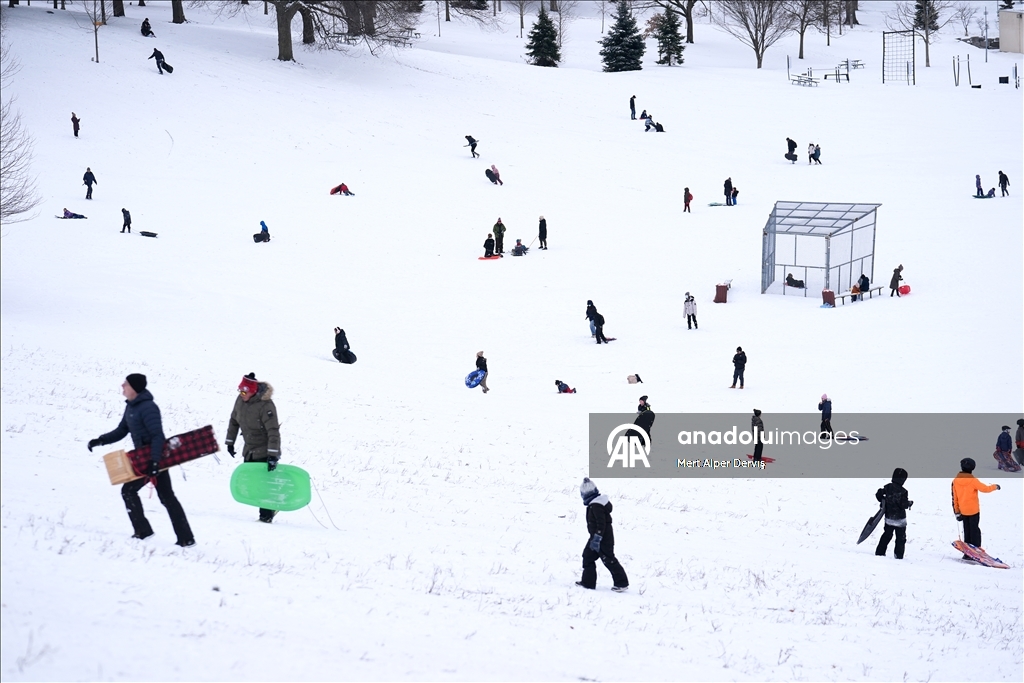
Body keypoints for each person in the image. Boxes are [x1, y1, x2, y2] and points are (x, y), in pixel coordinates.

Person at [86, 374, 195, 547]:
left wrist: (154, 462)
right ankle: (184, 538)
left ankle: (147, 531)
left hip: (153, 460)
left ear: (134, 388)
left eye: (126, 384)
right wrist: (100, 440)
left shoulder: (148, 408)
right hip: (146, 460)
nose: (122, 386)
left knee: (132, 492)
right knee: (166, 497)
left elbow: (158, 436)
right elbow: (121, 430)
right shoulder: (131, 407)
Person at [225, 373, 283, 523]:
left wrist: (272, 455)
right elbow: (234, 420)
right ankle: (270, 507)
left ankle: (266, 516)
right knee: (252, 484)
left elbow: (273, 432)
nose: (241, 394)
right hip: (250, 450)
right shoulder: (240, 401)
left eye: (244, 392)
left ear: (253, 391)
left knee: (262, 485)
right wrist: (230, 442)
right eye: (240, 391)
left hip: (265, 450)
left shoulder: (266, 405)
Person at [576, 478, 629, 592]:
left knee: (608, 559)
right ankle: (588, 582)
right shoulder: (595, 503)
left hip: (603, 539)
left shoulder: (596, 505)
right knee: (587, 556)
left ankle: (622, 583)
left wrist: (597, 538)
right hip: (595, 538)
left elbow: (601, 523)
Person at [951, 457, 1000, 557]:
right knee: (975, 530)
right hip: (973, 510)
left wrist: (957, 511)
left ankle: (967, 553)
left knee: (967, 530)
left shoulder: (955, 481)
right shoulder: (973, 480)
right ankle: (976, 550)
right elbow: (985, 489)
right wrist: (995, 486)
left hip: (963, 511)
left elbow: (954, 497)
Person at [875, 468, 913, 559]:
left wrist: (883, 499)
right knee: (900, 538)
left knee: (886, 535)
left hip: (889, 518)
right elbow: (903, 504)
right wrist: (909, 503)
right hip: (900, 520)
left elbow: (878, 494)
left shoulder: (887, 487)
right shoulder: (904, 491)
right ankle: (898, 555)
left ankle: (880, 552)